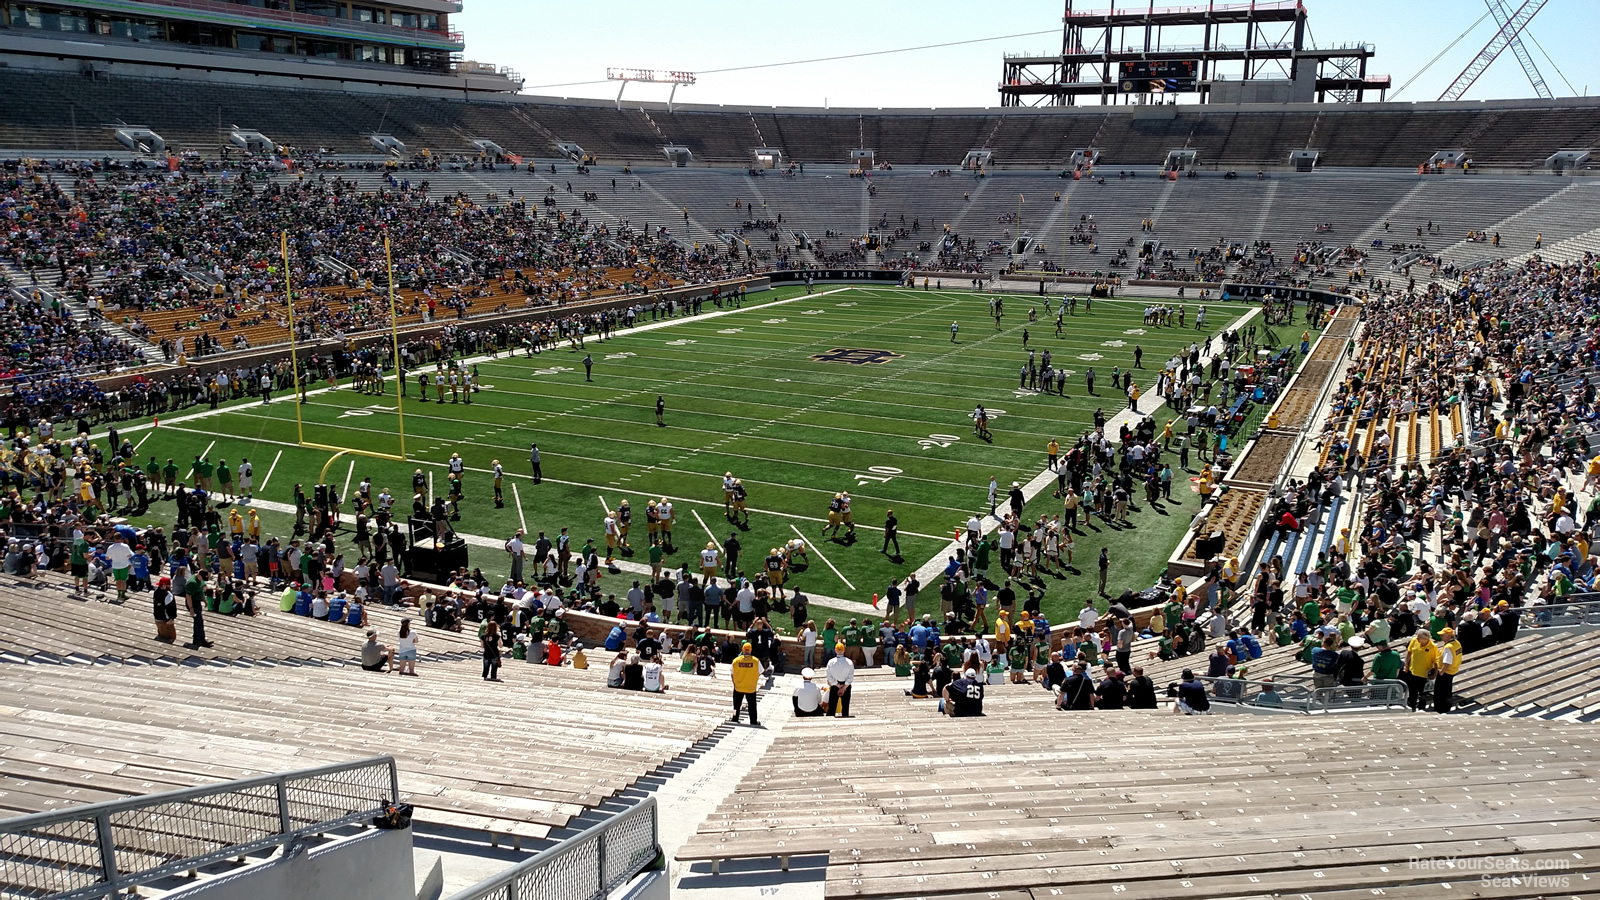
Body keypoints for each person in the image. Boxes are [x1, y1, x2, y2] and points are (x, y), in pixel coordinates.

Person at [1403, 629, 1440, 711]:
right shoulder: (1414, 640)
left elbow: (1436, 661)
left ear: (1425, 638)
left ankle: (1421, 706)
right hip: (1413, 670)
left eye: (1419, 637)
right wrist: (1406, 665)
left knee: (1422, 692)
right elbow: (1409, 652)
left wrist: (1435, 673)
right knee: (1412, 691)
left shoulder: (1433, 647)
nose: (1417, 639)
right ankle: (1411, 705)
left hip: (1424, 674)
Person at [731, 641, 761, 725]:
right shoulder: (756, 661)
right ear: (751, 650)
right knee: (752, 705)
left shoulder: (736, 661)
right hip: (750, 687)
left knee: (736, 705)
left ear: (742, 649)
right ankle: (753, 721)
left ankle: (735, 718)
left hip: (738, 686)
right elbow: (761, 671)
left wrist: (735, 683)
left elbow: (732, 673)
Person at [1434, 627, 1462, 713]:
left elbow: (1447, 662)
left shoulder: (1448, 647)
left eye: (1443, 635)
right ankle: (1446, 707)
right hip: (1453, 671)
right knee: (1447, 691)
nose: (1441, 636)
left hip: (1445, 672)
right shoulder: (1457, 643)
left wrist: (1441, 672)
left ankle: (1440, 709)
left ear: (1449, 636)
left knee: (1440, 692)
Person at [826, 642, 855, 717]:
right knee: (845, 707)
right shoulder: (849, 662)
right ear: (844, 650)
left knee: (832, 707)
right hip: (846, 686)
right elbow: (850, 677)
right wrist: (844, 687)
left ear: (835, 650)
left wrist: (837, 685)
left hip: (835, 685)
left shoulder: (830, 662)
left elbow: (829, 676)